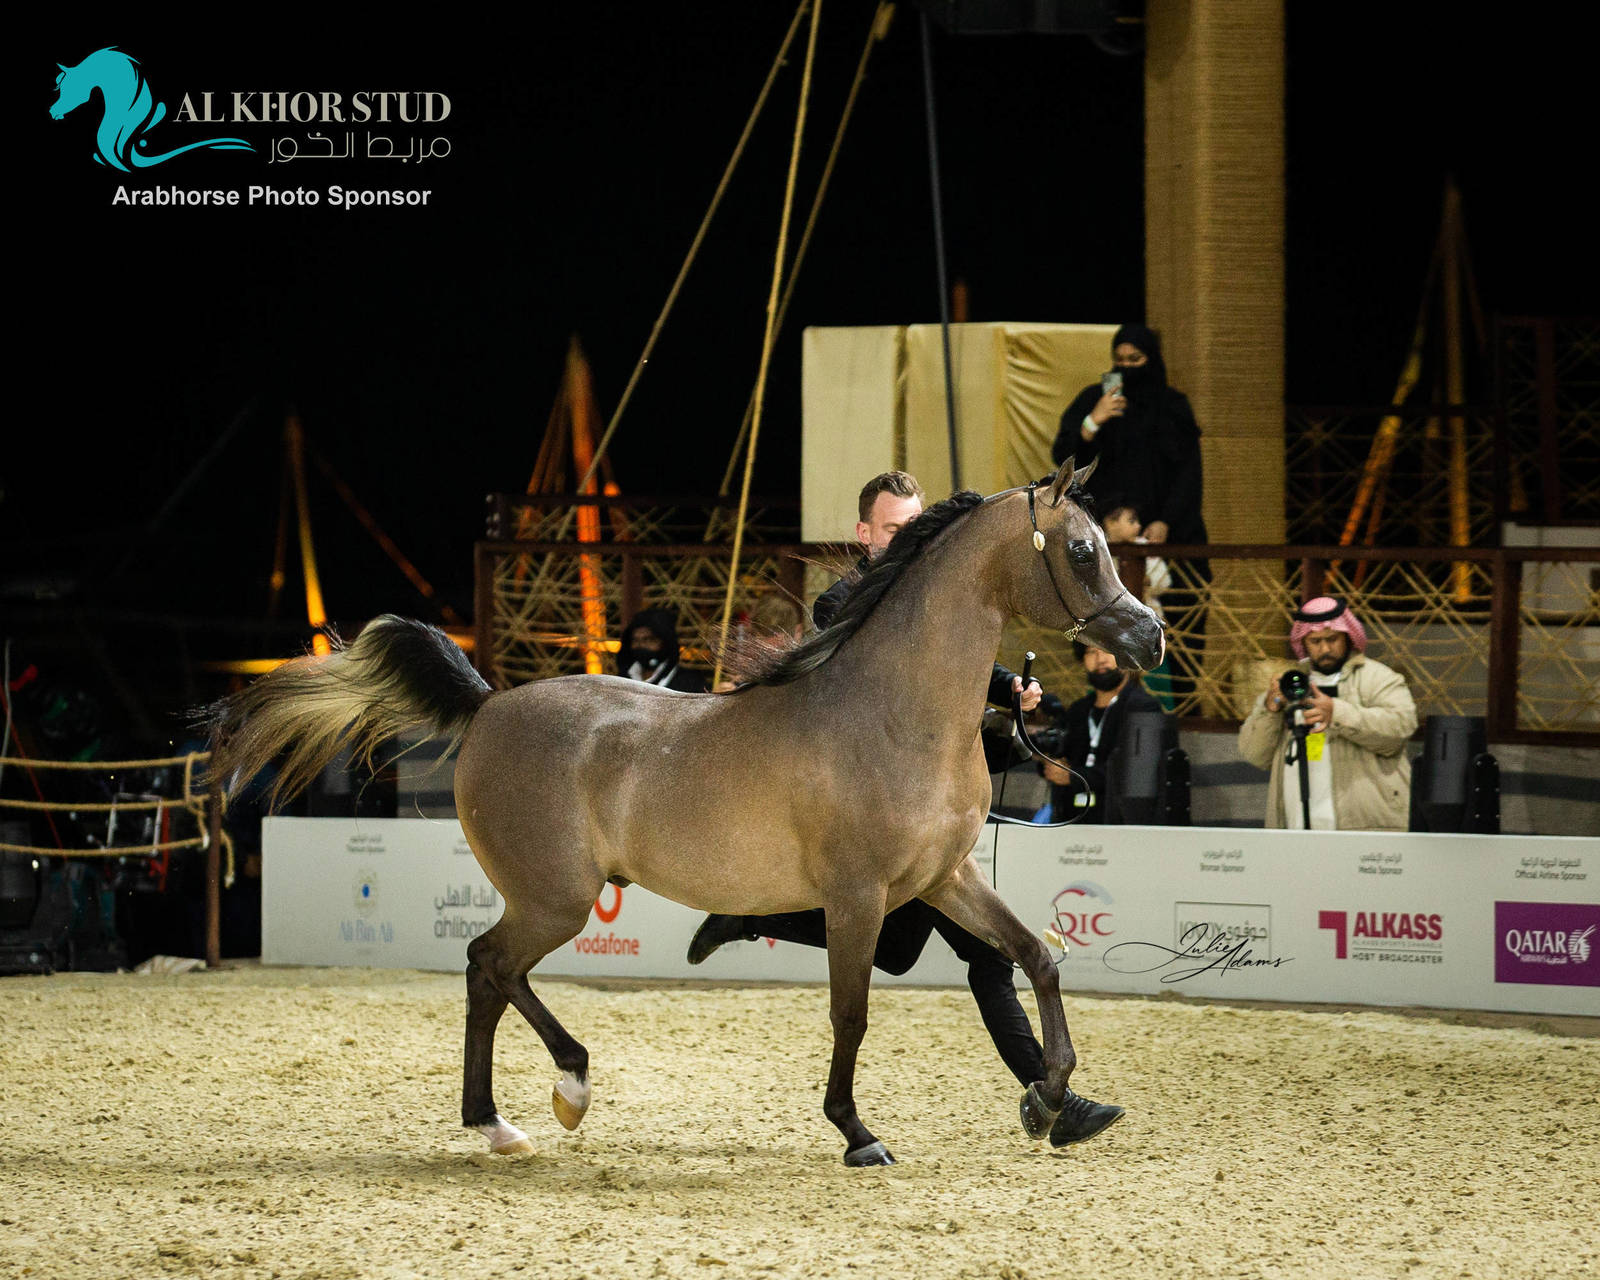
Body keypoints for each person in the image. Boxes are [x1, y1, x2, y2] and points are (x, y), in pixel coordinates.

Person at [687, 469, 1053, 1092]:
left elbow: (956, 665)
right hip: (872, 813)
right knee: (965, 956)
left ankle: (750, 920)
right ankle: (1052, 1093)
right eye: (894, 529)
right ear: (864, 534)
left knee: (903, 952)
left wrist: (1007, 688)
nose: (910, 539)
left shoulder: (940, 599)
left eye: (916, 526)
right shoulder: (843, 600)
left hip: (924, 816)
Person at [1053, 324, 1208, 704]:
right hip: (1107, 536)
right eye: (1120, 360)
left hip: (1165, 536)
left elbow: (1189, 472)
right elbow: (1065, 458)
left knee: (1175, 624)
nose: (1127, 367)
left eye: (1135, 360)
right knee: (1105, 622)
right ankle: (1106, 706)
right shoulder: (1095, 398)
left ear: (1151, 361)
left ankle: (1179, 710)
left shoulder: (1172, 406)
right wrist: (1095, 421)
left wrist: (1165, 520)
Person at [1238, 596, 1417, 830]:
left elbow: (1400, 727)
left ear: (1347, 636)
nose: (1325, 649)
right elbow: (1255, 755)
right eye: (1315, 641)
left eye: (1332, 639)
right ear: (1304, 643)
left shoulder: (1377, 678)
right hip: (1298, 822)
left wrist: (1335, 712)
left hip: (1362, 822)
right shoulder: (1292, 683)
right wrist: (1271, 709)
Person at [1035, 641, 1165, 824]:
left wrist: (1074, 778)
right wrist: (1050, 765)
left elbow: (1138, 774)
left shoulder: (1145, 708)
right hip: (1071, 820)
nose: (1100, 659)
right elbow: (1062, 756)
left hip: (1123, 821)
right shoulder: (1078, 710)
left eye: (1108, 651)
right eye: (1091, 652)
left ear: (1127, 658)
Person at [1099, 497, 1174, 709]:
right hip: (1110, 632)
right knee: (1108, 679)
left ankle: (1160, 716)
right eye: (1131, 521)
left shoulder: (1143, 547)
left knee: (1154, 680)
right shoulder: (1099, 547)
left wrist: (1143, 580)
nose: (1139, 526)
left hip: (1147, 631)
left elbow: (1164, 581)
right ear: (1111, 522)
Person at [615, 608, 708, 693]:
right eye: (636, 640)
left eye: (649, 640)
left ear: (666, 643)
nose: (641, 645)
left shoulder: (690, 682)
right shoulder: (621, 680)